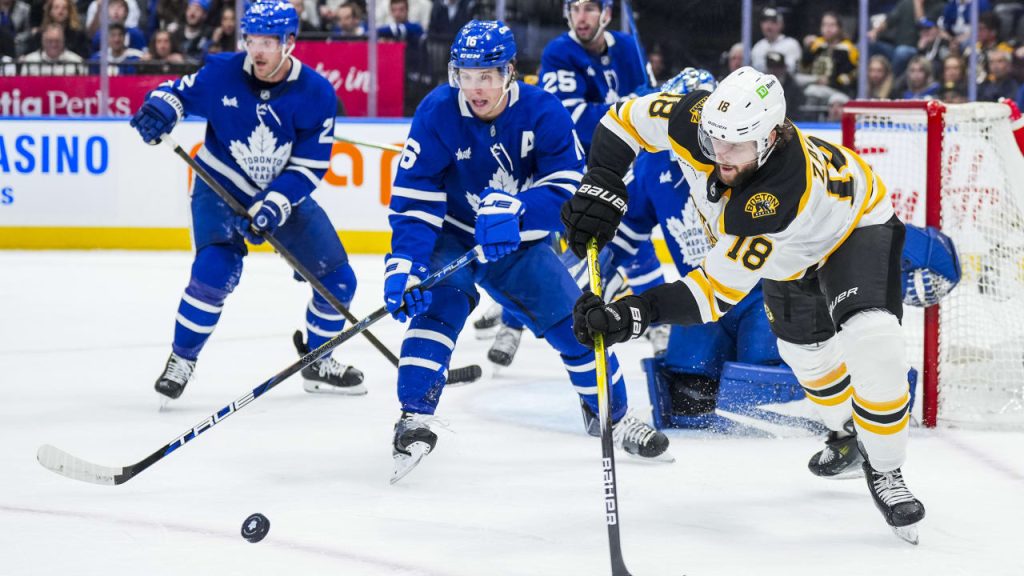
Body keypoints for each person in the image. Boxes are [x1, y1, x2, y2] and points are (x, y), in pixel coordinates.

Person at [562, 66, 927, 543]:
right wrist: (601, 179)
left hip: (853, 227)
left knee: (873, 339)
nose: (720, 156)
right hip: (791, 254)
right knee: (805, 354)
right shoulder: (696, 121)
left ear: (772, 137)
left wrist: (633, 313)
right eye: (713, 141)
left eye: (736, 145)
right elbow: (622, 120)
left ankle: (886, 468)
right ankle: (845, 434)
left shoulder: (772, 200)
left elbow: (712, 294)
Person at [385, 20, 671, 483]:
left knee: (577, 322)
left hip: (518, 241)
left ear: (510, 71)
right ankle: (413, 419)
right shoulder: (437, 110)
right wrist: (405, 267)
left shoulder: (544, 111)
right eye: (466, 74)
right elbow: (415, 200)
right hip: (453, 234)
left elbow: (569, 187)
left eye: (487, 75)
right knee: (437, 307)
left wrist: (518, 212)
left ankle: (611, 417)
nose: (475, 88)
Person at [129, 0, 365, 402]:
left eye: (268, 42)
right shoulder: (223, 71)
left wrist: (273, 205)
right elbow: (177, 93)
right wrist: (161, 108)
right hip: (221, 184)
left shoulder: (316, 92)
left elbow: (309, 166)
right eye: (251, 40)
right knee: (214, 270)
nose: (257, 51)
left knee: (339, 281)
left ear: (289, 42)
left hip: (281, 195)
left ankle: (319, 359)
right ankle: (182, 359)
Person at [479, 0, 649, 368]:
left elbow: (646, 104)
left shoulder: (628, 48)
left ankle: (653, 318)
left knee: (629, 241)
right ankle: (511, 324)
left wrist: (635, 110)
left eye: (590, 8)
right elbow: (576, 118)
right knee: (541, 253)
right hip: (566, 169)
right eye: (575, 9)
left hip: (616, 168)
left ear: (606, 13)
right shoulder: (559, 52)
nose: (581, 17)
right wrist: (627, 110)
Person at [750, 7, 801, 74]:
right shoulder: (757, 47)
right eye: (765, 22)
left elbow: (792, 70)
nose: (769, 26)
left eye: (773, 22)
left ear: (781, 24)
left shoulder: (791, 44)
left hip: (784, 83)